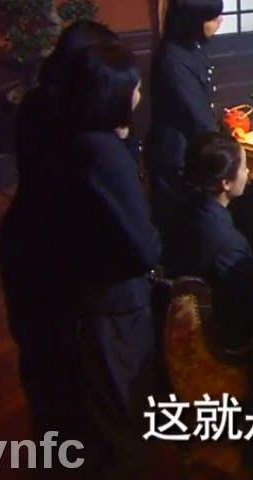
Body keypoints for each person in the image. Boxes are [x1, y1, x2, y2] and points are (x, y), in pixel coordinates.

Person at [0, 19, 118, 443]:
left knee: (41, 357)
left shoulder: (39, 100)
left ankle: (52, 447)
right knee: (65, 354)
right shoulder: (71, 115)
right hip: (51, 241)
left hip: (24, 233)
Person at [50, 42, 162, 477]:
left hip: (89, 296)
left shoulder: (73, 138)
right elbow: (143, 246)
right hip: (114, 303)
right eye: (133, 87)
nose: (139, 94)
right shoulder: (102, 153)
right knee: (126, 416)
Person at [162, 131, 253, 349]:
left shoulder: (174, 212)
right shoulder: (231, 246)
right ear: (226, 183)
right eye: (244, 167)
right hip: (216, 344)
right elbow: (243, 315)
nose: (248, 172)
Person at [147, 0, 226, 225]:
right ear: (194, 21)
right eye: (213, 18)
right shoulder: (173, 59)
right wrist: (227, 152)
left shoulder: (192, 47)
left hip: (191, 150)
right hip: (176, 157)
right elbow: (197, 116)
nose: (220, 21)